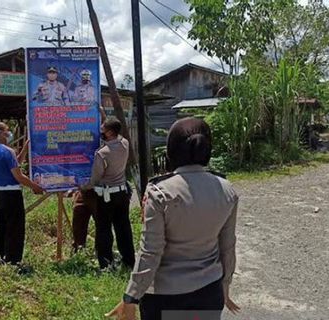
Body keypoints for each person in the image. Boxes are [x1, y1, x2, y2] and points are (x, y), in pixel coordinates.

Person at [106, 117, 240, 320]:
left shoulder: (160, 192)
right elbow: (227, 247)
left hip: (165, 297)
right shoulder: (227, 190)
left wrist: (131, 296)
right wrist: (225, 287)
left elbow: (150, 251)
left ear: (171, 151)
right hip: (209, 292)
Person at [81, 117, 135, 269]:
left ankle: (106, 263)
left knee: (104, 229)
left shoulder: (102, 154)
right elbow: (116, 130)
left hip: (106, 196)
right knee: (123, 227)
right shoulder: (125, 143)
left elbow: (95, 179)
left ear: (110, 133)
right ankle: (129, 260)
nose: (101, 133)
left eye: (103, 130)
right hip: (122, 193)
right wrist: (104, 115)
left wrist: (82, 186)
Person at [0, 122, 44, 267]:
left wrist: (25, 149)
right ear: (0, 132)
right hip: (12, 195)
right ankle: (13, 262)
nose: (9, 133)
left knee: (1, 226)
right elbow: (18, 176)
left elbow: (14, 165)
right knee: (15, 228)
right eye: (7, 130)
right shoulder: (8, 151)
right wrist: (36, 186)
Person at [70, 106, 107, 252]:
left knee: (101, 223)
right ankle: (78, 250)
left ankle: (102, 252)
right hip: (81, 189)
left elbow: (105, 129)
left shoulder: (96, 140)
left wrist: (102, 114)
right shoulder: (73, 141)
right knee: (78, 218)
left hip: (96, 189)